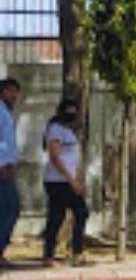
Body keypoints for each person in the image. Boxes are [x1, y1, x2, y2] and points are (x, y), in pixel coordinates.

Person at [40, 95, 89, 268]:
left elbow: (73, 158)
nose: (72, 114)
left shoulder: (68, 131)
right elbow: (55, 156)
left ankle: (77, 252)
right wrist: (70, 180)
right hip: (58, 181)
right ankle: (48, 255)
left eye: (74, 111)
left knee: (81, 213)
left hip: (69, 180)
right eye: (68, 111)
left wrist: (78, 180)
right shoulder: (55, 129)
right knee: (56, 217)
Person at [0, 77, 20, 266]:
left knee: (8, 209)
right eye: (9, 91)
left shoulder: (7, 112)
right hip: (1, 170)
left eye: (15, 92)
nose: (13, 95)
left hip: (7, 168)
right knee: (11, 208)